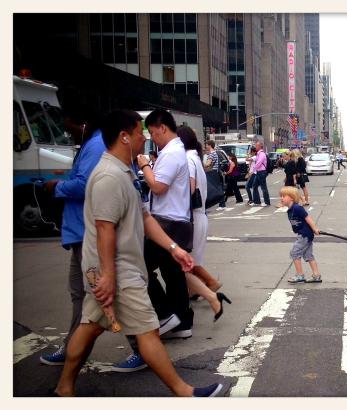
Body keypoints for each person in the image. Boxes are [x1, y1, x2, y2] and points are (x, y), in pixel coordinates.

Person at [53, 109, 223, 397]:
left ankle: (64, 387)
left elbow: (145, 218)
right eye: (138, 132)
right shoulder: (108, 176)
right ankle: (184, 392)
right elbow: (105, 230)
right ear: (123, 137)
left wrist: (174, 248)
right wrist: (107, 276)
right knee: (147, 330)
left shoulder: (125, 172)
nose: (144, 138)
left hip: (116, 269)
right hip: (116, 270)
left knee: (89, 327)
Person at [114, 109, 194, 372]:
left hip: (168, 221)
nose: (150, 137)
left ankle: (166, 315)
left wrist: (145, 164)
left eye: (150, 132)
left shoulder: (171, 152)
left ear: (161, 127)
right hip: (174, 219)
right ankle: (181, 322)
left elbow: (159, 187)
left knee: (139, 266)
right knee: (173, 272)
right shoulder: (174, 151)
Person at [39, 124, 106, 366]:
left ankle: (140, 346)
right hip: (81, 233)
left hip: (87, 234)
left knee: (104, 298)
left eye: (67, 121)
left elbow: (84, 184)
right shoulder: (93, 143)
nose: (66, 129)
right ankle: (71, 350)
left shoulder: (96, 144)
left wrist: (57, 187)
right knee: (81, 293)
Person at [178, 126, 225, 316]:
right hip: (200, 214)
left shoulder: (188, 159)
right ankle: (194, 291)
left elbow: (188, 189)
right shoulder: (195, 158)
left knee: (187, 263)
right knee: (191, 261)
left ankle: (211, 284)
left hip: (194, 216)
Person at [280, 186, 322, 284]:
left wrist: (315, 229)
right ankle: (316, 275)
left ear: (291, 197)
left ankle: (300, 275)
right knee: (308, 255)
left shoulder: (297, 208)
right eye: (281, 196)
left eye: (283, 196)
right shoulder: (290, 209)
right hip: (304, 234)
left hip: (305, 235)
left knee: (294, 253)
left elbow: (308, 218)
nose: (281, 198)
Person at [250, 139, 271, 207]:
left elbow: (258, 163)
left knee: (263, 187)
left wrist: (253, 170)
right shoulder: (258, 154)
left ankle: (267, 202)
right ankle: (257, 201)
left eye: (256, 146)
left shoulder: (262, 154)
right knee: (254, 186)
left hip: (262, 172)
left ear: (260, 146)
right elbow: (255, 161)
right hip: (259, 172)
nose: (255, 147)